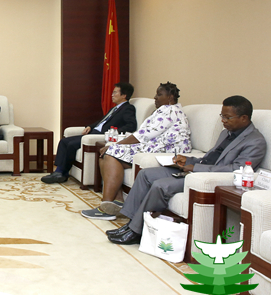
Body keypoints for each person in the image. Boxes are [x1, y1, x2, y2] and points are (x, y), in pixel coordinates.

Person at [108, 95, 267, 245]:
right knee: (145, 174)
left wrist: (196, 168)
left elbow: (236, 169)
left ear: (244, 118)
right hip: (197, 169)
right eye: (222, 116)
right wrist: (188, 160)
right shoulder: (226, 133)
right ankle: (130, 224)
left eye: (227, 117)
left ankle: (136, 232)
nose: (223, 120)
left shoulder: (255, 141)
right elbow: (210, 157)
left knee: (160, 185)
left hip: (206, 178)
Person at [81, 82, 191, 220]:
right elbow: (145, 134)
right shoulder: (165, 110)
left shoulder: (170, 111)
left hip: (167, 149)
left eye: (159, 94)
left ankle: (106, 209)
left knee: (110, 152)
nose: (155, 97)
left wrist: (115, 145)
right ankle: (117, 203)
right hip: (155, 145)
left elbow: (143, 135)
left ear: (170, 97)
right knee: (105, 154)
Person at [42, 82, 137, 184]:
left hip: (100, 136)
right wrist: (89, 127)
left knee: (71, 144)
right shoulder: (114, 108)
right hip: (94, 132)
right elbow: (101, 122)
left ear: (124, 95)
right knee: (64, 141)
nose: (112, 95)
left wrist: (113, 132)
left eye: (115, 92)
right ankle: (58, 171)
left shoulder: (128, 108)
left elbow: (131, 126)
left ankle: (62, 173)